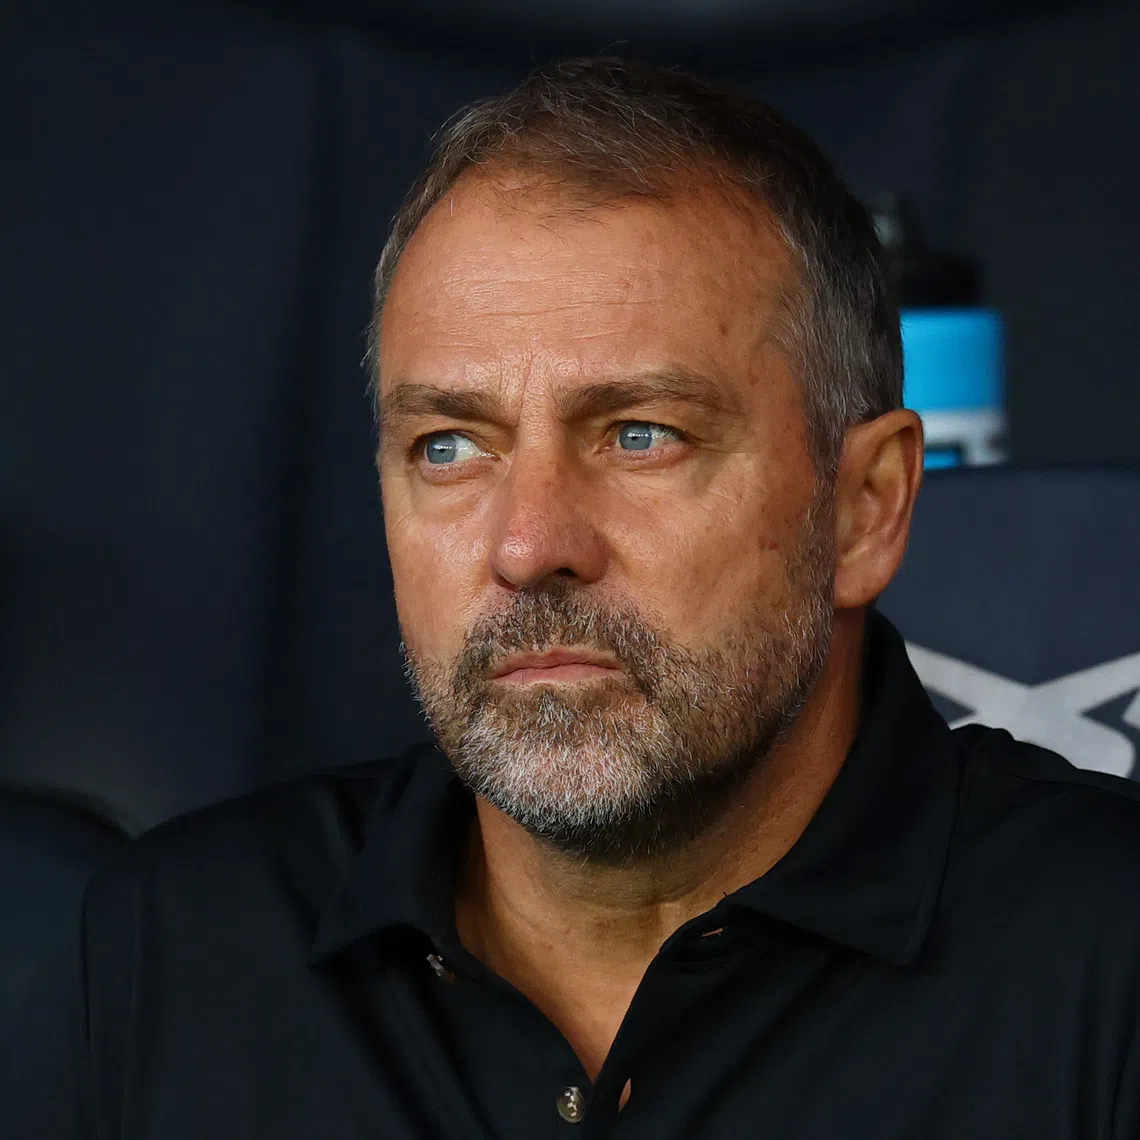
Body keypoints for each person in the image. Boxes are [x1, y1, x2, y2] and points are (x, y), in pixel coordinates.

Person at [5, 57, 1140, 1140]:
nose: (529, 543)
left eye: (640, 435)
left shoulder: (1105, 957)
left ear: (865, 507)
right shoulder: (181, 944)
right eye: (450, 445)